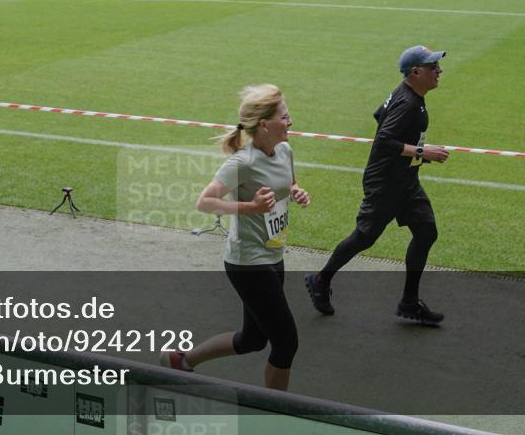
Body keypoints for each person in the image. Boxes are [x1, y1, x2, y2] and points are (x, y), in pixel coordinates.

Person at [160, 84, 310, 391]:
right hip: (247, 262)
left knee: (252, 339)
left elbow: (289, 183)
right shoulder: (243, 162)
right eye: (285, 116)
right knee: (286, 343)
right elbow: (204, 201)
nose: (290, 122)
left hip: (273, 255)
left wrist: (296, 192)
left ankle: (182, 360)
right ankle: (274, 413)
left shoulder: (284, 150)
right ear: (265, 124)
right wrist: (250, 206)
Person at [305, 46, 449, 325]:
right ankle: (320, 279)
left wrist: (415, 148)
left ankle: (409, 302)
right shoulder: (408, 102)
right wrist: (422, 152)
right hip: (385, 183)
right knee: (365, 237)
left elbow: (379, 115)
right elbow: (383, 140)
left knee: (426, 231)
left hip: (405, 181)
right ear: (415, 72)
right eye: (433, 67)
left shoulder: (409, 95)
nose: (439, 71)